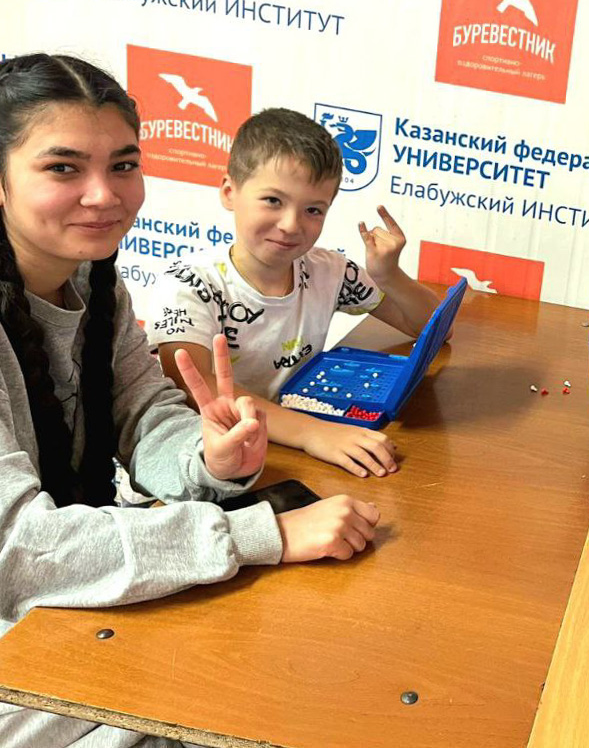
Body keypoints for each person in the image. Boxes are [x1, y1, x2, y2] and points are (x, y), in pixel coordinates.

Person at [0, 53, 381, 747]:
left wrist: (209, 457)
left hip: (63, 610)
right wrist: (262, 535)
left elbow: (146, 416)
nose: (103, 195)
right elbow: (21, 553)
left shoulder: (96, 284)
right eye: (63, 168)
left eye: (122, 165)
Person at [147, 108, 441, 478]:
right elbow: (195, 387)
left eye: (313, 210)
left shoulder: (330, 270)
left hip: (285, 449)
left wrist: (390, 275)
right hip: (203, 467)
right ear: (229, 192)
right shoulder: (187, 284)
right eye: (273, 200)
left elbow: (431, 329)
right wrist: (313, 433)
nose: (290, 225)